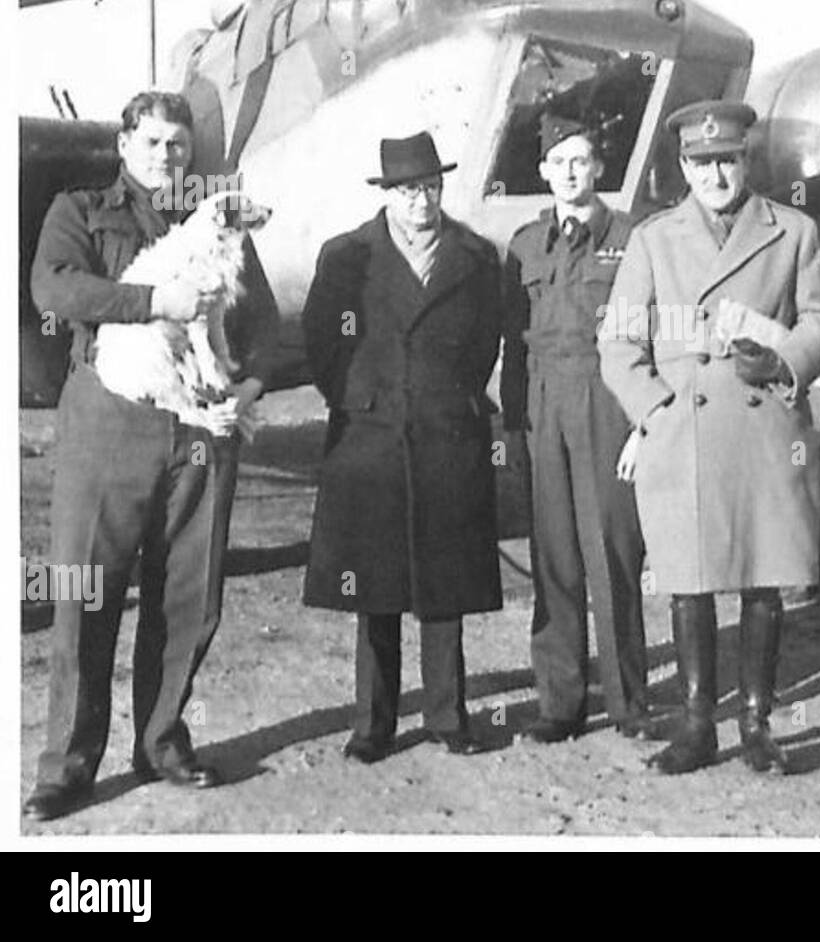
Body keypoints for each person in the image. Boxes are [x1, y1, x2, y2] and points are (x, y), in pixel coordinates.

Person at [24, 90, 279, 821]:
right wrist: (154, 302)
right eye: (152, 142)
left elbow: (260, 319)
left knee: (189, 595)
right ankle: (69, 764)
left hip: (201, 425)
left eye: (177, 145)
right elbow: (57, 287)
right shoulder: (78, 211)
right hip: (112, 418)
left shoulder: (217, 220)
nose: (166, 156)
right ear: (124, 144)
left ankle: (162, 740)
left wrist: (251, 386)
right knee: (88, 591)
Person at [598, 100, 820, 775]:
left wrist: (786, 359)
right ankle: (696, 725)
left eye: (727, 160)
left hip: (764, 426)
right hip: (687, 431)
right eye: (701, 163)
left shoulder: (792, 231)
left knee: (763, 580)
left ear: (746, 160)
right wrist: (657, 410)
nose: (715, 174)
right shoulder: (653, 239)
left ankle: (757, 725)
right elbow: (617, 341)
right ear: (683, 167)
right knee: (690, 578)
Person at [302, 132, 503, 761]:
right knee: (375, 589)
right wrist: (360, 398)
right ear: (388, 194)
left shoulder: (475, 256)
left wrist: (450, 398)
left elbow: (485, 342)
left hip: (447, 434)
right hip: (372, 438)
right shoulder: (346, 257)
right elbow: (324, 341)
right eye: (410, 189)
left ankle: (448, 714)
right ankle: (374, 724)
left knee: (445, 583)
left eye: (432, 187)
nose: (423, 201)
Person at [501, 114, 651, 742]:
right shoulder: (524, 245)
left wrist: (646, 422)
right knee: (553, 554)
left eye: (581, 160)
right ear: (542, 172)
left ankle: (627, 703)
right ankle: (559, 702)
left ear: (598, 169)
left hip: (606, 397)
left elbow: (655, 333)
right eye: (558, 161)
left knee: (611, 549)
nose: (569, 171)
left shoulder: (633, 238)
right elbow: (513, 342)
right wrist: (513, 427)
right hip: (542, 403)